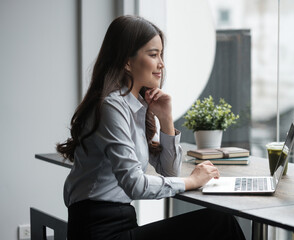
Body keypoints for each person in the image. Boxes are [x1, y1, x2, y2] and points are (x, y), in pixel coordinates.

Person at [57, 15, 245, 240]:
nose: (161, 64)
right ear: (127, 62)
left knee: (218, 222)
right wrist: (192, 180)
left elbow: (169, 172)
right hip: (99, 231)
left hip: (118, 223)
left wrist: (166, 119)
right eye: (153, 55)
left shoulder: (135, 105)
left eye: (161, 55)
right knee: (219, 223)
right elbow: (134, 184)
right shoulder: (111, 106)